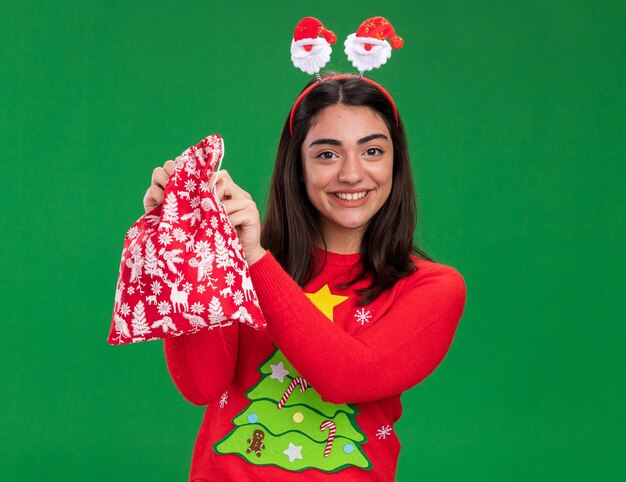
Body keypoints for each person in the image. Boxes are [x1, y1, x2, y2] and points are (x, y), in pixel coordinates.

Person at [143, 75, 466, 481]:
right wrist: (184, 250)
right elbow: (200, 386)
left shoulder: (432, 288)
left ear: (395, 163)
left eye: (372, 150)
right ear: (297, 166)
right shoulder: (244, 262)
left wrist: (255, 260)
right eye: (327, 154)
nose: (352, 174)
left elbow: (348, 376)